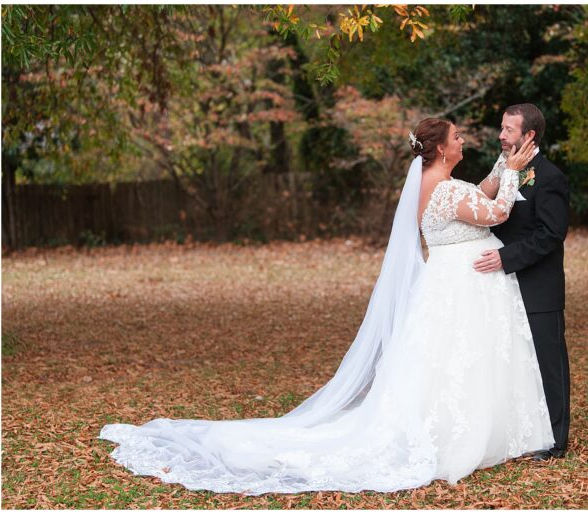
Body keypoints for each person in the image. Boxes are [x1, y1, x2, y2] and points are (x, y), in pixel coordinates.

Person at [99, 118, 555, 495]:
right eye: (456, 137)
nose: (463, 140)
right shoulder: (446, 190)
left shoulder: (438, 185)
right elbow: (495, 212)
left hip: (449, 283)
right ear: (439, 149)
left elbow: (478, 191)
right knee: (459, 361)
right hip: (462, 283)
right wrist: (513, 172)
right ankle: (458, 436)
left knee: (446, 362)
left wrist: (503, 165)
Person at [473, 104, 570, 461]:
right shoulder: (502, 170)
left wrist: (506, 258)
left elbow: (551, 234)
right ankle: (521, 431)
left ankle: (556, 442)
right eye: (502, 128)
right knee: (515, 362)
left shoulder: (550, 177)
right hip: (501, 288)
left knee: (548, 362)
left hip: (538, 287)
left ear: (529, 135)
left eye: (509, 130)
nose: (501, 135)